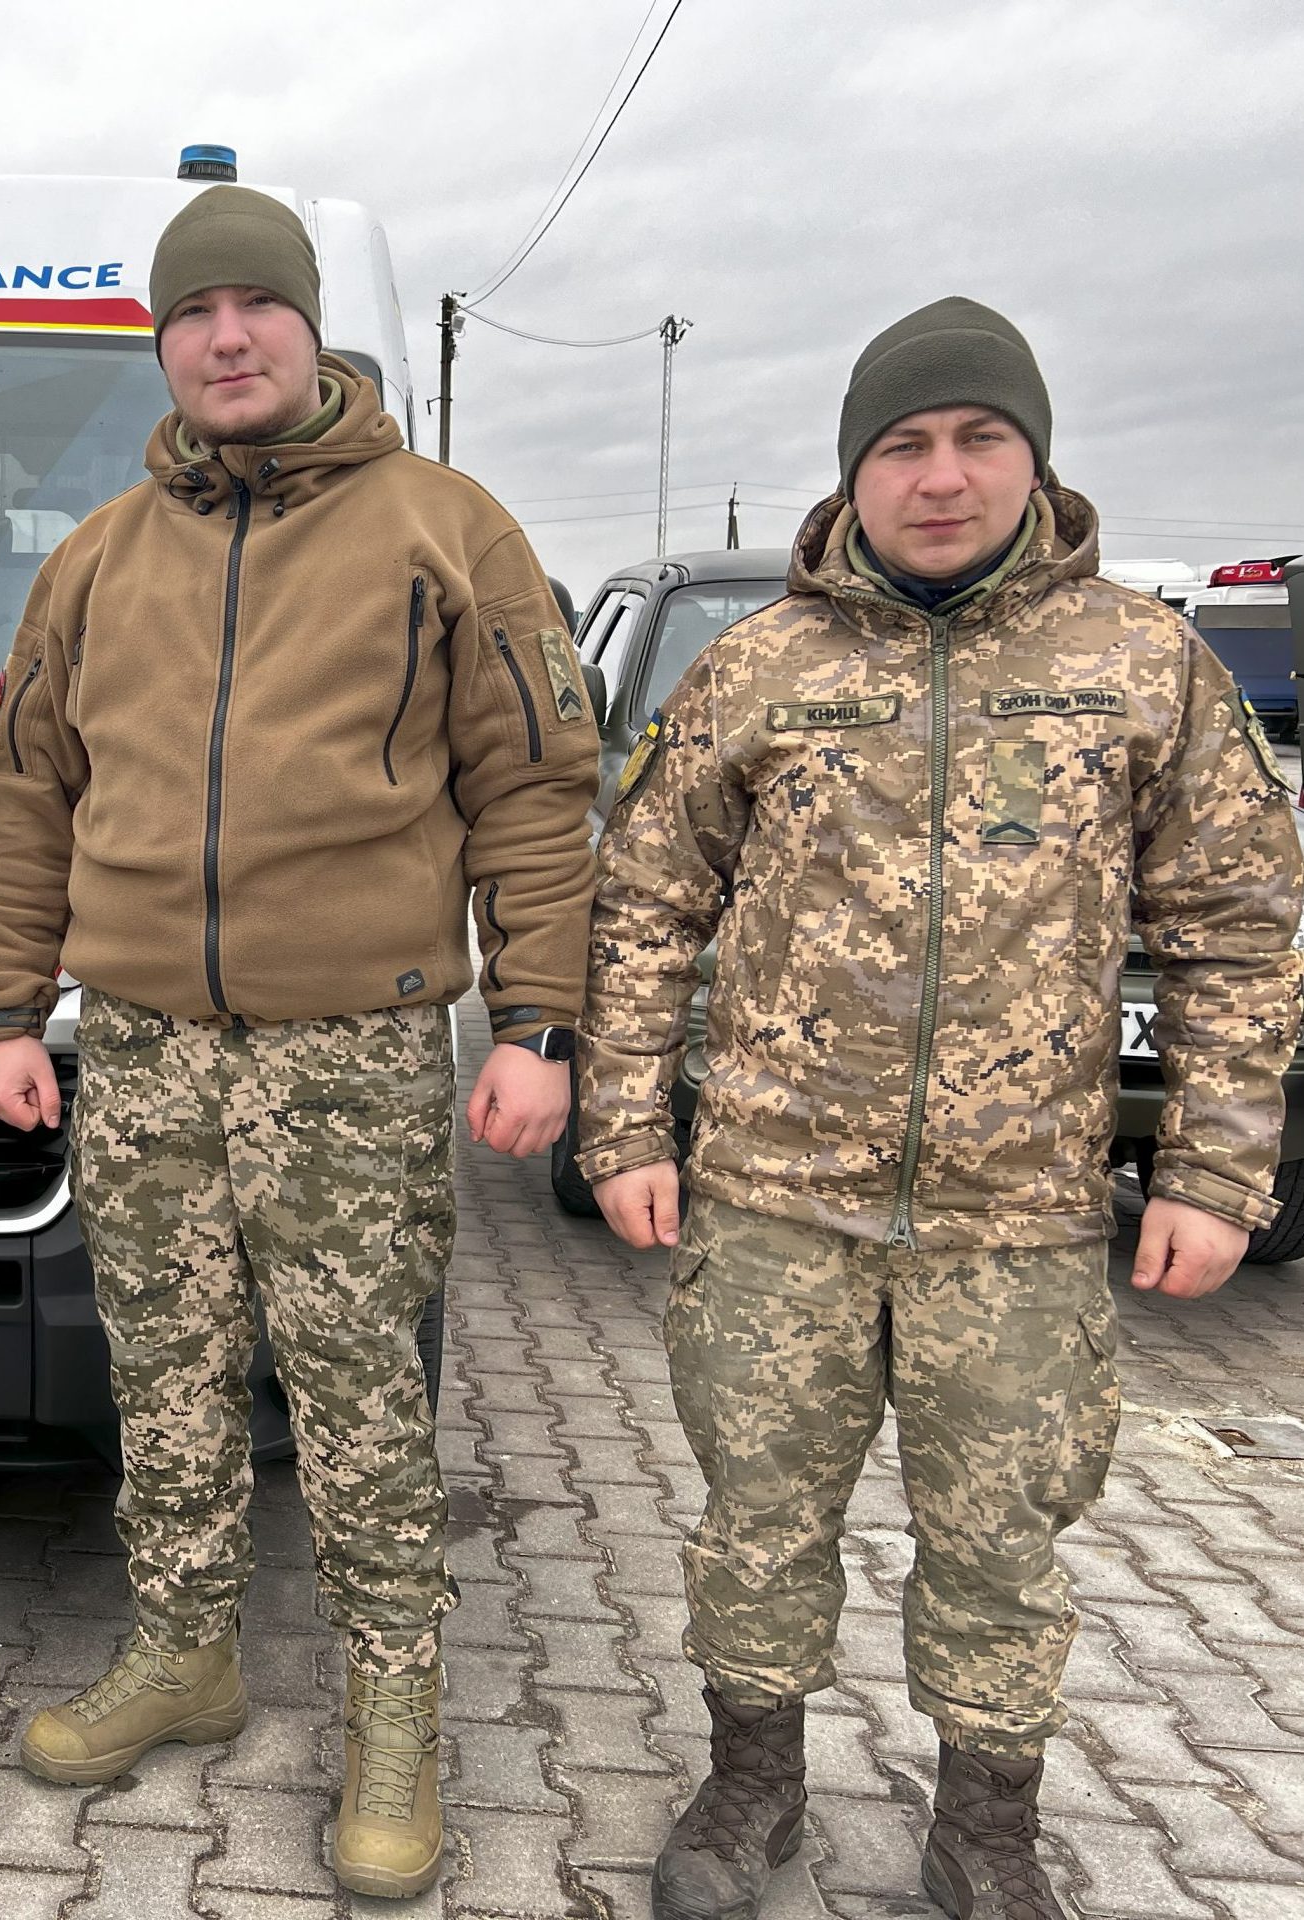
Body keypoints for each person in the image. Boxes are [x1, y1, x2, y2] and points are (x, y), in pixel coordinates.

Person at [577, 295, 1303, 1920]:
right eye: (903, 444)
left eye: (980, 438)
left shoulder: (1142, 666)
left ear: (1032, 458)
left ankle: (987, 1829)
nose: (942, 476)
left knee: (1002, 1544)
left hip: (1022, 1216)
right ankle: (753, 1785)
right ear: (855, 474)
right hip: (772, 1203)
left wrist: (1213, 1170)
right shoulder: (756, 668)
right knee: (758, 1520)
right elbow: (642, 905)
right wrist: (626, 1123)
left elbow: (1239, 928)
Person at [0, 185, 600, 1900]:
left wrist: (540, 1021)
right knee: (163, 1381)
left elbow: (537, 793)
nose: (226, 337)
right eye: (193, 314)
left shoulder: (444, 527)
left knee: (356, 1394)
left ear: (312, 329)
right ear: (160, 346)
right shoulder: (97, 557)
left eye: (257, 305)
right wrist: (9, 1011)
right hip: (148, 1046)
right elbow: (29, 794)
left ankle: (397, 1708)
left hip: (351, 1053)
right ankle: (186, 1653)